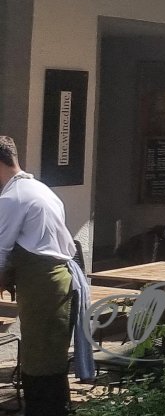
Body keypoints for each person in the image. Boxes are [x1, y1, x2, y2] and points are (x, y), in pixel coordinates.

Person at [0, 136, 94, 414]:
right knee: (48, 358)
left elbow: (1, 252)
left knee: (41, 361)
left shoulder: (13, 197)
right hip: (53, 281)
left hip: (44, 284)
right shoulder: (41, 189)